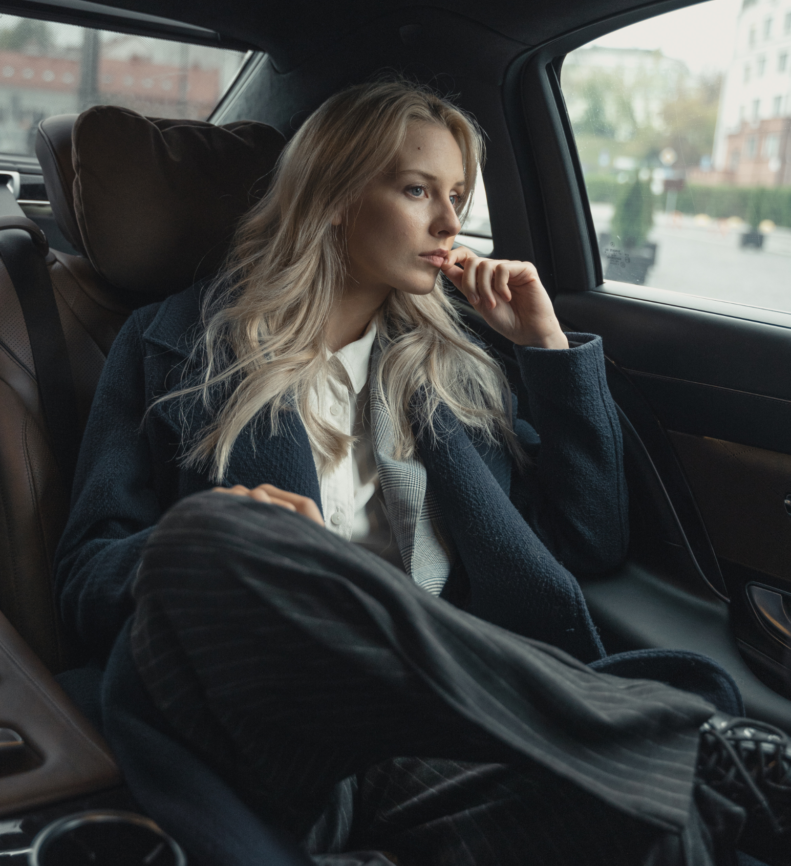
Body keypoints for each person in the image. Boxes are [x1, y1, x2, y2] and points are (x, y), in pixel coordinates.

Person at [55, 81, 789, 865]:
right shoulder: (169, 343)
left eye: (458, 196)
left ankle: (665, 753)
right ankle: (680, 738)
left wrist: (544, 350)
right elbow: (86, 579)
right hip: (259, 712)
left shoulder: (452, 369)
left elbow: (583, 541)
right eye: (416, 191)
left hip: (428, 735)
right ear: (332, 196)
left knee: (671, 828)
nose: (449, 224)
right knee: (212, 534)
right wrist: (245, 530)